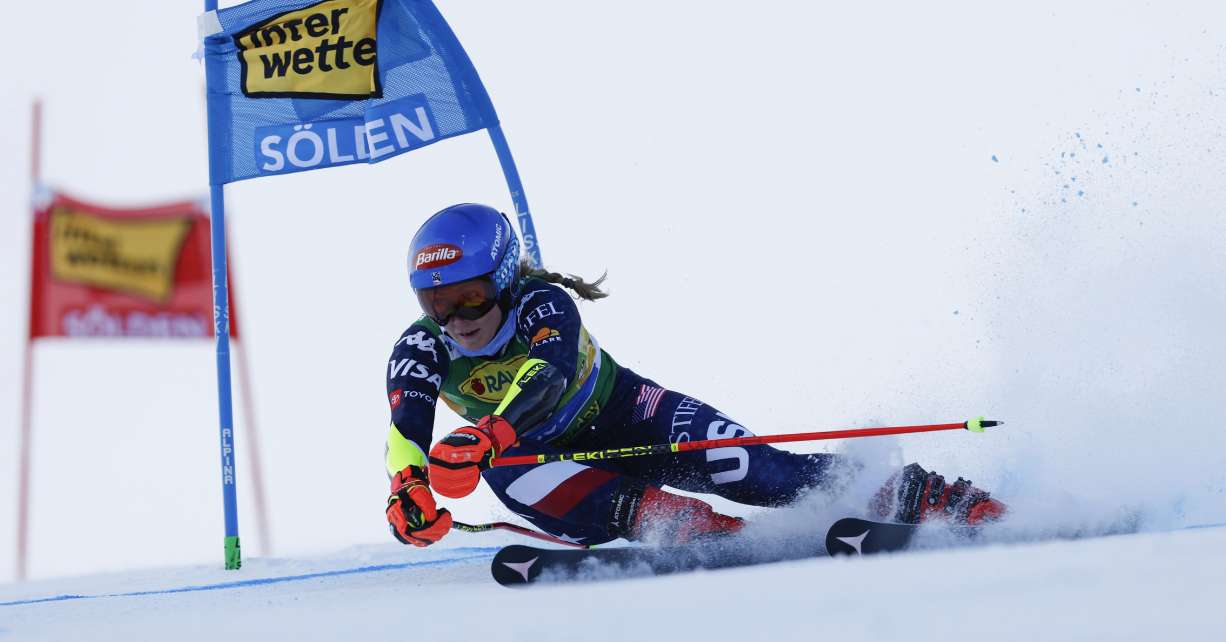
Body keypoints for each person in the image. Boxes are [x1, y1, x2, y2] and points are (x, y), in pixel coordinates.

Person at [384, 203, 1005, 548]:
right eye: (435, 303)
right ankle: (697, 531)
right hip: (555, 468)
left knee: (758, 471)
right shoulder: (421, 345)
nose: (455, 317)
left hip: (633, 413)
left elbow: (546, 373)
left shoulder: (542, 302)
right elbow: (405, 426)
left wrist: (489, 430)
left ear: (502, 279)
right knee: (504, 468)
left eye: (469, 297)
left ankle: (921, 495)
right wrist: (407, 489)